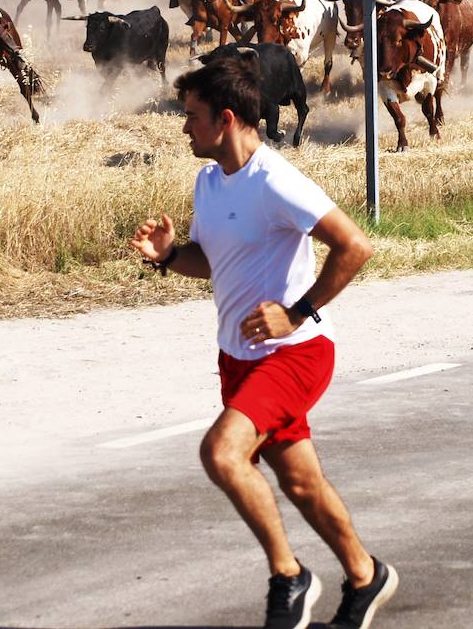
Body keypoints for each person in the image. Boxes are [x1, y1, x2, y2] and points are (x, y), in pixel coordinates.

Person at [129, 56, 398, 629]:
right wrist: (172, 256)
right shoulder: (208, 181)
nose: (184, 129)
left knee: (222, 453)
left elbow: (354, 245)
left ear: (226, 119)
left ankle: (289, 575)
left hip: (295, 355)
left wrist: (297, 313)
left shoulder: (275, 180)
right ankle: (364, 573)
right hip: (238, 358)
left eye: (193, 117)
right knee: (300, 482)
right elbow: (214, 262)